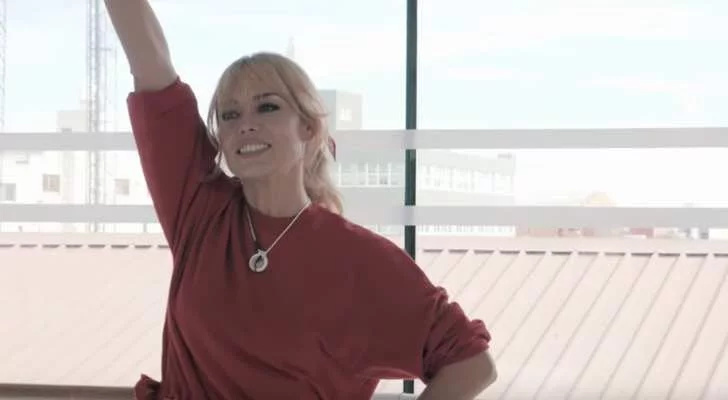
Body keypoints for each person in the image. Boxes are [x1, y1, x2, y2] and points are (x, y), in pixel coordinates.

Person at [105, 0, 497, 399]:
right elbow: (148, 56)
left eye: (267, 107)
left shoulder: (359, 259)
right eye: (230, 115)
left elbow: (472, 365)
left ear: (308, 127)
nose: (246, 125)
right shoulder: (199, 208)